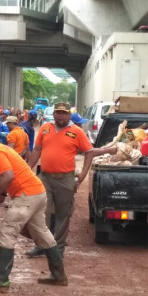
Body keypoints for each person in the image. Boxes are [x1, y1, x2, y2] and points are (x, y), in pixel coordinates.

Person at [0, 126, 68, 290]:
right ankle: (59, 275)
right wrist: (2, 193)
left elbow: (8, 175)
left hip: (27, 194)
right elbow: (11, 175)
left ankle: (0, 279)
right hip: (37, 192)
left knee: (7, 231)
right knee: (41, 233)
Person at [26, 102, 109, 257]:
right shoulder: (45, 128)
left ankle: (58, 249)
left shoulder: (76, 132)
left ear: (69, 115)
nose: (60, 116)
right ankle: (41, 245)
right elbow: (37, 149)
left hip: (65, 180)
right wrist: (27, 169)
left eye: (64, 113)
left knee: (62, 215)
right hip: (45, 177)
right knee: (42, 212)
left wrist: (83, 174)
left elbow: (89, 152)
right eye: (58, 113)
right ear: (54, 114)